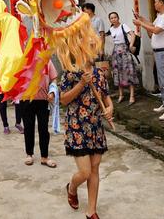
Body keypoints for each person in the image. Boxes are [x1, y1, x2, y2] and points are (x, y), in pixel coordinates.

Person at [60, 64, 113, 219]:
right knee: (85, 172)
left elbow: (106, 99)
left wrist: (110, 108)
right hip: (76, 127)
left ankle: (91, 211)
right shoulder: (70, 73)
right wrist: (82, 83)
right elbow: (63, 99)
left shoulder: (100, 74)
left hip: (95, 127)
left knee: (94, 170)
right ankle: (72, 188)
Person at [133, 0, 164, 120]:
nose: (154, 4)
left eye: (156, 2)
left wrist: (141, 23)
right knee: (161, 80)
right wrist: (142, 19)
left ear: (162, 3)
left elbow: (156, 30)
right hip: (159, 51)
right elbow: (152, 27)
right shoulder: (160, 16)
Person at [21, 60, 58, 167]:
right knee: (28, 127)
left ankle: (44, 157)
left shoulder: (47, 61)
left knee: (43, 129)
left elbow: (54, 79)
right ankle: (29, 154)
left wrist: (52, 92)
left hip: (43, 100)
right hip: (26, 99)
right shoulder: (24, 59)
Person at [106, 12, 139, 105]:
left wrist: (131, 45)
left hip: (125, 51)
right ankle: (121, 95)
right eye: (111, 18)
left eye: (115, 17)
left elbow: (133, 35)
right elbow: (103, 36)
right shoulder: (111, 29)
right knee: (118, 73)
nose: (113, 19)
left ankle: (132, 96)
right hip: (116, 52)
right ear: (110, 20)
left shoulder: (123, 26)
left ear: (118, 18)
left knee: (129, 72)